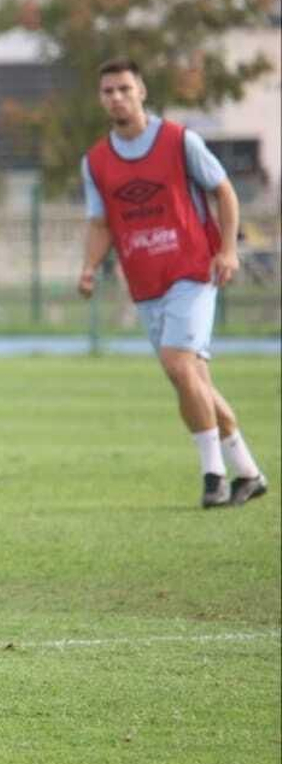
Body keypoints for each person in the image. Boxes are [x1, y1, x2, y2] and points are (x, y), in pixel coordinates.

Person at [78, 57, 268, 508]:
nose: (117, 97)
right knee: (189, 378)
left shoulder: (179, 141)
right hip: (145, 281)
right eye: (108, 91)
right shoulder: (97, 162)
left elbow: (223, 191)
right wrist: (88, 267)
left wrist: (227, 250)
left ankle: (212, 477)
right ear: (101, 99)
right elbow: (101, 222)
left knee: (179, 364)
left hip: (193, 270)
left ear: (142, 91)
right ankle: (248, 471)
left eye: (125, 88)